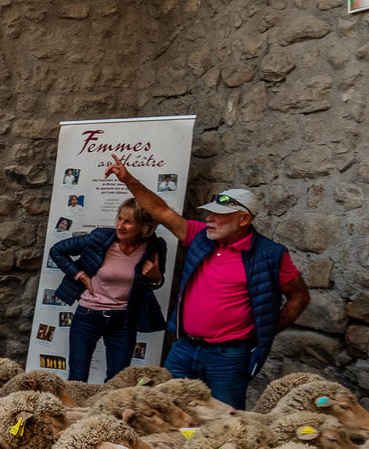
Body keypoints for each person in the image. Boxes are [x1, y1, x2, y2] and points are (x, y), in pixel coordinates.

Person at [104, 161, 311, 408]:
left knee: (224, 422)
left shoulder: (270, 254)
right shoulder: (201, 236)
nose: (209, 219)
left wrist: (264, 331)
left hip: (228, 356)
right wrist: (129, 180)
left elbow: (299, 297)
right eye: (209, 214)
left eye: (219, 215)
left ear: (244, 219)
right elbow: (161, 212)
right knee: (166, 412)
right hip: (184, 348)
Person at [47, 200, 168, 383]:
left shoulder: (154, 247)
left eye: (127, 222)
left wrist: (156, 276)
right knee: (77, 380)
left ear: (144, 227)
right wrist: (80, 275)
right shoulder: (100, 238)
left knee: (118, 383)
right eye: (119, 219)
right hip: (87, 316)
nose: (120, 225)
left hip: (123, 322)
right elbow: (57, 251)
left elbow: (155, 282)